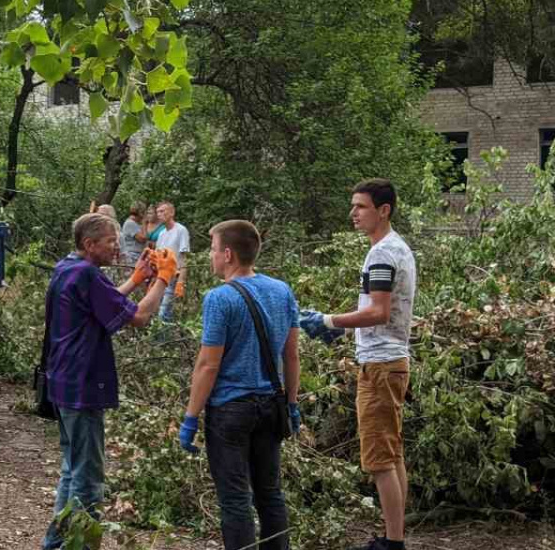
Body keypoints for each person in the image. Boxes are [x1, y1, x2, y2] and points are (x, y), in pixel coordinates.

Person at [40, 213, 174, 550]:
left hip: (63, 383)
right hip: (82, 386)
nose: (117, 246)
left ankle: (54, 544)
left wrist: (137, 277)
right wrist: (163, 280)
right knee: (87, 482)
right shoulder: (86, 274)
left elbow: (104, 303)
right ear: (90, 245)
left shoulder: (68, 268)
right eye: (110, 241)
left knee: (72, 471)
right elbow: (140, 317)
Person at [300, 179, 417, 550]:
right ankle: (393, 535)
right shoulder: (395, 248)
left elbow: (378, 312)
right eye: (352, 206)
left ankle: (393, 543)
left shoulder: (383, 253)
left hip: (381, 365)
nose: (353, 213)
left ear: (383, 210)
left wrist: (329, 321)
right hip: (390, 360)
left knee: (380, 459)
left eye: (361, 207)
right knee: (392, 452)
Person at [176, 220, 300, 550]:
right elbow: (291, 357)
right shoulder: (282, 291)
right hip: (272, 407)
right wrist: (292, 404)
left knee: (234, 499)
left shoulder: (220, 299)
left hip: (231, 412)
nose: (211, 256)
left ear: (228, 254)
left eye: (214, 249)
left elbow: (208, 364)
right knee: (270, 494)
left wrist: (191, 417)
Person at [153, 202, 192, 321]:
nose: (160, 214)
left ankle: (162, 339)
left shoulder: (181, 230)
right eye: (158, 212)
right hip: (161, 277)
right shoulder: (161, 234)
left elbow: (184, 258)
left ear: (172, 212)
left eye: (163, 211)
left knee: (163, 314)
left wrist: (181, 282)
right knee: (159, 313)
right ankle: (164, 338)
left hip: (174, 277)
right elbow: (158, 258)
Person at [121, 202, 148, 266]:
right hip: (133, 256)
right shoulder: (130, 223)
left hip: (138, 255)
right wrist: (144, 223)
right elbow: (143, 238)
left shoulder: (136, 223)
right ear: (141, 213)